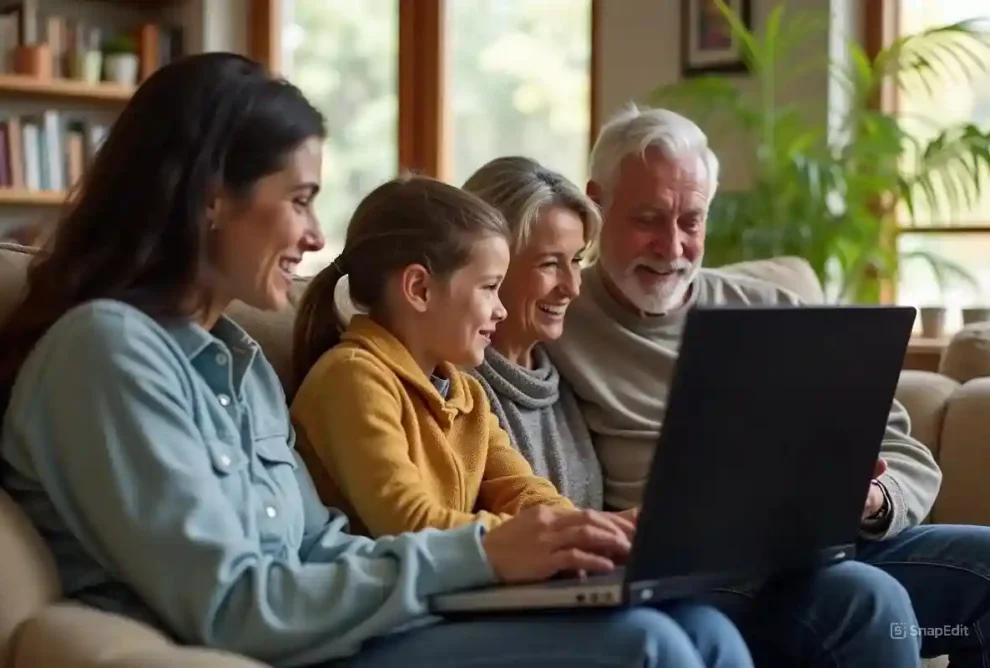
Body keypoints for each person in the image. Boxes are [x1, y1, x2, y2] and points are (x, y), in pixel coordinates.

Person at [0, 54, 745, 668]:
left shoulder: (244, 364)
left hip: (346, 624)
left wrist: (556, 545)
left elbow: (321, 542)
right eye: (298, 200)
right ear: (209, 201)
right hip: (292, 648)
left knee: (703, 631)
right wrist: (483, 554)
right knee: (650, 648)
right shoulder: (105, 353)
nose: (317, 237)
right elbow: (232, 605)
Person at [545, 103, 935, 667]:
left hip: (828, 544)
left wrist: (873, 498)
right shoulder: (556, 317)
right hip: (699, 575)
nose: (673, 246)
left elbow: (902, 447)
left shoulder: (775, 309)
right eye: (648, 219)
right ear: (596, 204)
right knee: (869, 599)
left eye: (691, 221)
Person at [289, 175, 581, 538]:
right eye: (489, 287)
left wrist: (586, 530)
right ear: (419, 289)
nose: (500, 310)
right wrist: (537, 538)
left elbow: (524, 490)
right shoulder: (352, 380)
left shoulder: (467, 396)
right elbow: (411, 524)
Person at [461, 156, 605, 510]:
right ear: (490, 267)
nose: (572, 288)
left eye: (577, 260)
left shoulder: (560, 376)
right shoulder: (456, 387)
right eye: (550, 264)